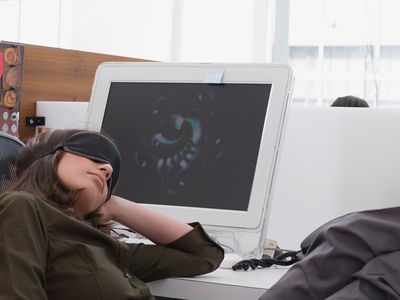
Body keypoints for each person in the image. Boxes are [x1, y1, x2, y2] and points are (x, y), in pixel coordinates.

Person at [0, 129, 224, 300]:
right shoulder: (19, 207)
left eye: (110, 180)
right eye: (93, 154)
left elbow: (204, 255)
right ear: (48, 156)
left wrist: (116, 207)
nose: (107, 168)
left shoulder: (104, 246)